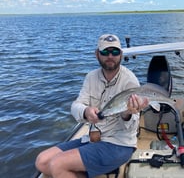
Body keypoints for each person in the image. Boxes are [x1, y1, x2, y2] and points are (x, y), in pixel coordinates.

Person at [35, 34, 149, 178]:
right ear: (97, 54)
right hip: (92, 139)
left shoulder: (130, 80)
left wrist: (127, 113)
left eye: (114, 52)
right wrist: (85, 111)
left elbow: (132, 126)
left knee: (57, 164)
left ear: (120, 54)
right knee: (42, 162)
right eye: (105, 52)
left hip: (119, 144)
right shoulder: (91, 77)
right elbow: (76, 105)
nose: (110, 56)